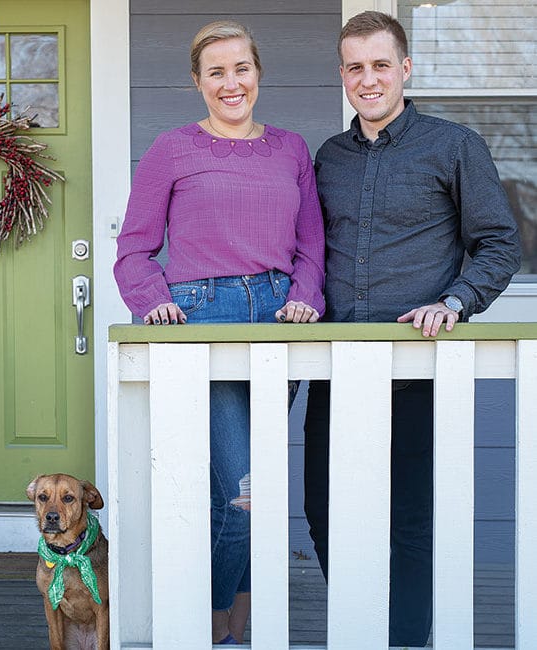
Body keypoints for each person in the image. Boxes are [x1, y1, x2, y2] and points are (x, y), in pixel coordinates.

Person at [303, 11, 521, 648]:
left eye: (379, 65)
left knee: (411, 524)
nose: (367, 79)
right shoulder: (329, 158)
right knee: (324, 514)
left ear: (405, 69)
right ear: (343, 74)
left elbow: (499, 245)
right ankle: (358, 627)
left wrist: (455, 301)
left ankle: (403, 640)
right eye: (354, 67)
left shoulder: (455, 147)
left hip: (420, 371)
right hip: (337, 373)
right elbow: (312, 250)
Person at [114, 20, 325, 645]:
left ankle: (236, 619)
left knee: (240, 490)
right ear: (197, 83)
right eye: (216, 72)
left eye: (241, 69)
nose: (231, 83)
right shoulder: (173, 149)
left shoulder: (290, 149)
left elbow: (312, 245)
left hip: (279, 321)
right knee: (245, 491)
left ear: (258, 73)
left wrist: (305, 297)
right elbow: (134, 249)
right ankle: (209, 621)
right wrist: (154, 302)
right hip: (202, 320)